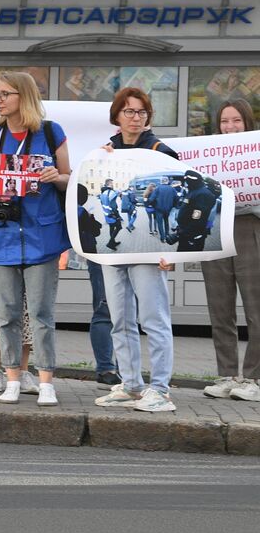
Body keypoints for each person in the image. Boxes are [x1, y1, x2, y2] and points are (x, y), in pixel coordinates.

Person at [0, 71, 69, 408]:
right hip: (1, 236)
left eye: (5, 93)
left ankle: (46, 381)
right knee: (6, 313)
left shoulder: (51, 133)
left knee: (41, 313)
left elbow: (70, 181)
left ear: (22, 96)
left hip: (42, 234)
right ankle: (11, 377)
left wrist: (58, 177)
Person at [92, 88, 177, 413]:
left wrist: (172, 250)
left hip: (148, 249)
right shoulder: (104, 152)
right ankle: (130, 384)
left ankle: (160, 389)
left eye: (141, 112)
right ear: (117, 116)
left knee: (154, 318)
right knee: (120, 318)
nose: (135, 117)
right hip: (114, 250)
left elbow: (174, 202)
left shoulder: (161, 151)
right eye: (129, 111)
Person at [202, 100, 260, 401]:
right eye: (225, 121)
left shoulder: (257, 149)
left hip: (251, 228)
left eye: (236, 120)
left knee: (256, 309)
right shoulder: (208, 155)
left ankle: (254, 378)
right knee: (220, 308)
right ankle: (226, 374)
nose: (230, 126)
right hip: (216, 231)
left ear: (247, 122)